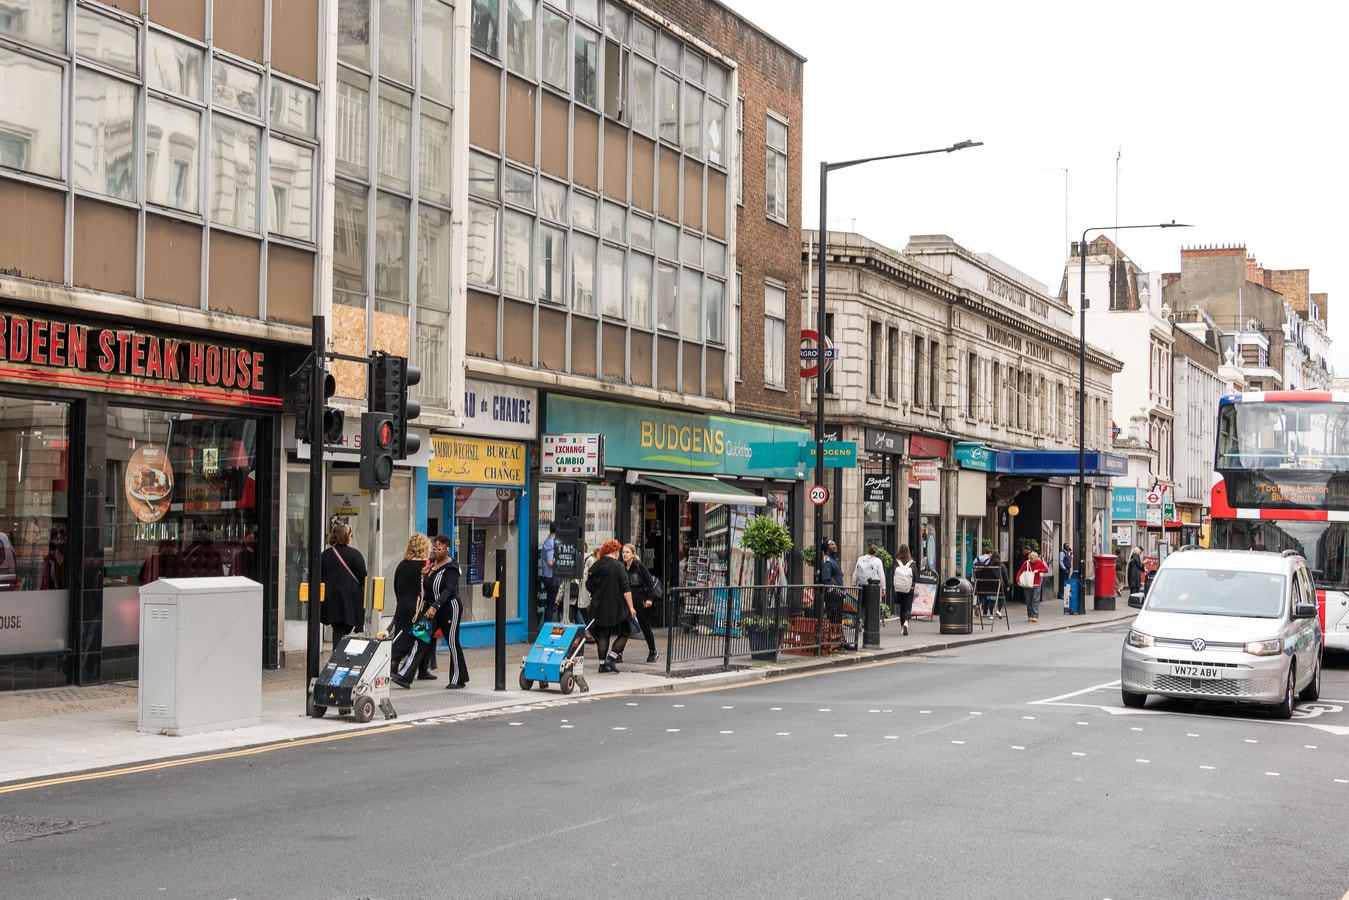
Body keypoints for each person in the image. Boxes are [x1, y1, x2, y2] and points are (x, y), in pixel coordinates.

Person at [394, 534, 465, 689]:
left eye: (440, 548)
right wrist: (423, 576)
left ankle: (457, 678)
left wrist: (436, 606)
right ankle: (404, 675)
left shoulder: (452, 567)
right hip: (430, 608)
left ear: (448, 549)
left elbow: (449, 590)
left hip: (449, 608)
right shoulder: (431, 564)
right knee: (419, 636)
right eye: (434, 548)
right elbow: (425, 586)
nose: (436, 551)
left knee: (452, 641)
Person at [585, 539, 636, 673]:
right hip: (616, 608)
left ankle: (602, 665)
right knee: (625, 632)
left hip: (599, 607)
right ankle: (612, 658)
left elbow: (588, 585)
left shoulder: (596, 566)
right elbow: (626, 588)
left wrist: (594, 594)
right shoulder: (618, 566)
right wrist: (631, 607)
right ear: (614, 551)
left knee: (603, 635)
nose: (619, 554)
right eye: (618, 551)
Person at [389, 533, 435, 682]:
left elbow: (396, 585)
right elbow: (428, 587)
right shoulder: (426, 566)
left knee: (403, 633)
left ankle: (421, 668)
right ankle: (396, 660)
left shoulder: (402, 565)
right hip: (418, 606)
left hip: (403, 604)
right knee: (418, 637)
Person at [320, 523, 367, 647]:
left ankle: (339, 655)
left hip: (330, 599)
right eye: (350, 535)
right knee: (341, 631)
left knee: (338, 629)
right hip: (349, 600)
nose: (351, 537)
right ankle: (338, 658)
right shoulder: (355, 555)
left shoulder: (325, 555)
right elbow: (363, 577)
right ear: (346, 537)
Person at [621, 543, 660, 663]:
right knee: (624, 626)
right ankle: (618, 652)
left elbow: (649, 582)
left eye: (627, 552)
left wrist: (649, 599)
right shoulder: (622, 567)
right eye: (623, 552)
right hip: (627, 600)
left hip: (640, 599)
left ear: (633, 554)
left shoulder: (639, 566)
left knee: (644, 626)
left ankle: (653, 651)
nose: (625, 554)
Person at [1017, 550, 1050, 623]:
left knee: (1035, 599)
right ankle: (1030, 615)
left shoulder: (1039, 562)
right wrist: (1018, 579)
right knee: (1028, 600)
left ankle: (1035, 616)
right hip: (1028, 584)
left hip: (1036, 583)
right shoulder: (1026, 563)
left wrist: (1038, 570)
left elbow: (1046, 570)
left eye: (1034, 560)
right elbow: (1021, 570)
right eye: (1031, 560)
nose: (1033, 561)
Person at [892, 544, 918, 635]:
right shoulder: (912, 563)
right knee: (907, 608)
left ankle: (902, 627)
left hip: (899, 589)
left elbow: (893, 575)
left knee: (902, 609)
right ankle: (906, 622)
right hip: (909, 589)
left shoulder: (896, 562)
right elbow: (916, 576)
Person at [819, 539, 844, 622]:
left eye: (834, 544)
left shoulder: (834, 560)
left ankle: (838, 633)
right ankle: (834, 633)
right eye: (831, 545)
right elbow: (826, 579)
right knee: (833, 619)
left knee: (838, 618)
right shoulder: (827, 562)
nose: (834, 546)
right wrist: (834, 592)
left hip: (838, 595)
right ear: (827, 549)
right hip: (833, 596)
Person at [541, 522, 561, 623]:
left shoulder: (551, 541)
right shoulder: (551, 543)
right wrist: (561, 563)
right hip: (552, 577)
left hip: (551, 577)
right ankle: (547, 626)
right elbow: (550, 562)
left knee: (557, 603)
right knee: (553, 603)